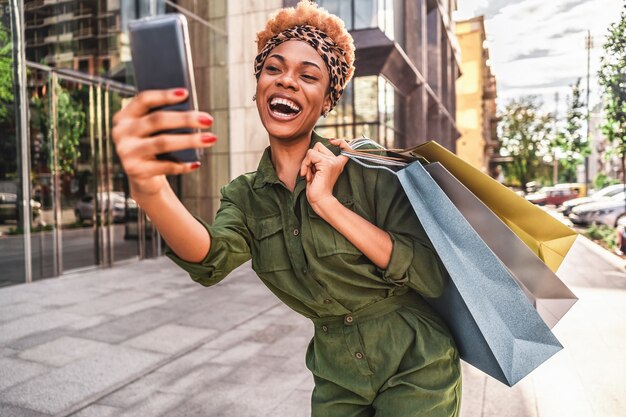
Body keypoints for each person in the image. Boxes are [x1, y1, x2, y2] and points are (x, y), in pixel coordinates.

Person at [112, 1, 461, 415]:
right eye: (273, 69)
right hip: (336, 377)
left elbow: (430, 272)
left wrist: (327, 204)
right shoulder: (245, 196)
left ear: (327, 99)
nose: (287, 82)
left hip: (417, 365)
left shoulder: (364, 162)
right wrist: (150, 189)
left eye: (308, 75)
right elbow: (209, 259)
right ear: (258, 84)